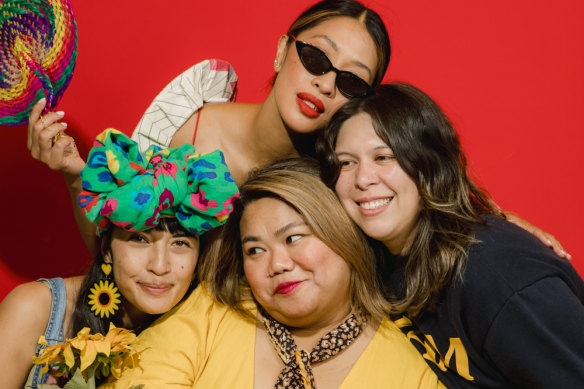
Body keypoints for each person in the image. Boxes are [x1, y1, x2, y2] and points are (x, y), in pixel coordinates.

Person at [25, 0, 565, 259]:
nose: (327, 83)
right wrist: (75, 175)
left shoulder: (343, 174)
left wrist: (497, 224)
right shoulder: (187, 115)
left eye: (352, 83)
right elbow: (109, 245)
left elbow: (418, 201)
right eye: (315, 57)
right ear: (284, 50)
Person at [317, 83, 584, 388]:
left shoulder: (497, 277)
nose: (362, 179)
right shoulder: (379, 257)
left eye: (384, 157)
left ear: (428, 162)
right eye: (346, 163)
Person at [101, 159, 445, 388]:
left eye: (293, 238)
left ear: (343, 234)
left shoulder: (410, 373)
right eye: (255, 250)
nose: (276, 264)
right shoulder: (212, 311)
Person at [0, 129, 238, 389]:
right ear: (106, 249)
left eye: (180, 243)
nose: (159, 266)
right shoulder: (37, 309)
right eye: (140, 239)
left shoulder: (202, 328)